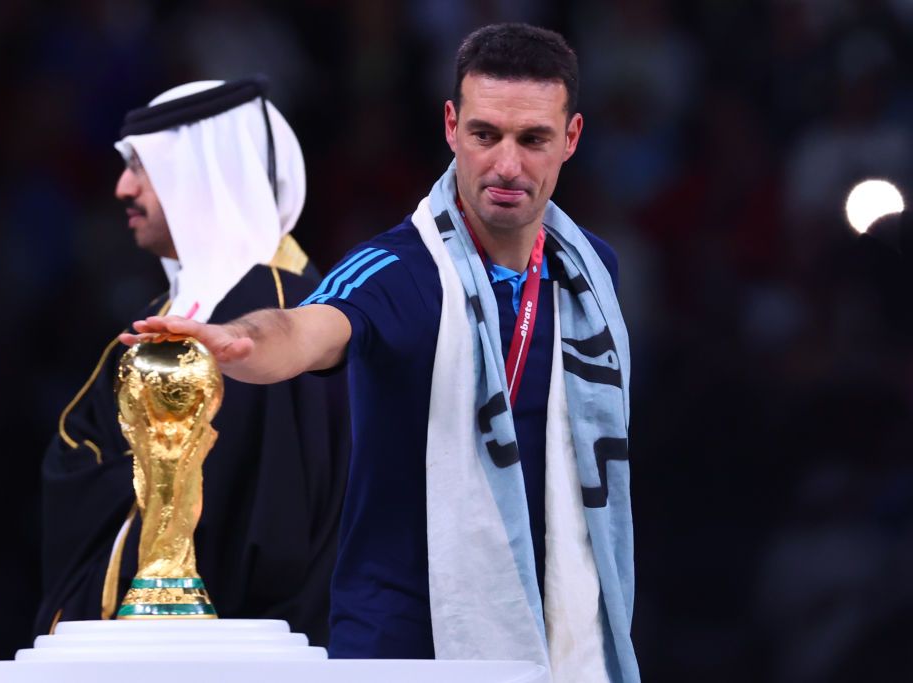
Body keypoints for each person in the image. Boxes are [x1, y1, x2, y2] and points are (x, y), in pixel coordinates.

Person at [124, 25, 638, 682]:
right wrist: (245, 341)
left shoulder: (593, 272)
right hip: (402, 642)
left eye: (532, 139)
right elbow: (309, 328)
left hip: (559, 636)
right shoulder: (397, 269)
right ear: (451, 127)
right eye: (486, 135)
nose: (507, 164)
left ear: (570, 138)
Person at [34, 77, 349, 647]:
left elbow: (270, 517)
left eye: (143, 168)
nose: (122, 188)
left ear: (206, 175)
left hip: (255, 646)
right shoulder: (167, 313)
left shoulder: (283, 313)